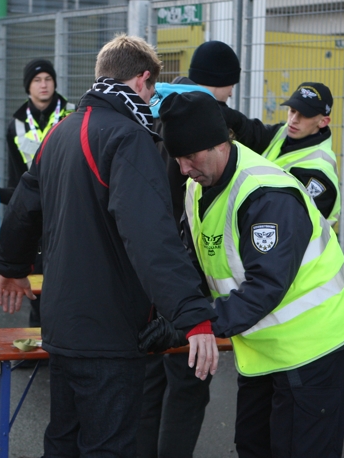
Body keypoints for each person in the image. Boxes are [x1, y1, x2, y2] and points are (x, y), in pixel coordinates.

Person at [0, 34, 219, 457]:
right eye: (152, 90)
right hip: (110, 331)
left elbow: (25, 206)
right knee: (109, 445)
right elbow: (152, 237)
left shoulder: (61, 130)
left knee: (63, 441)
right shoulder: (128, 137)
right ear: (142, 80)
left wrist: (11, 265)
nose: (152, 99)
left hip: (62, 325)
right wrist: (193, 315)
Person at [142, 91, 344, 457]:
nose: (182, 169)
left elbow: (266, 287)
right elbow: (195, 262)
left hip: (313, 344)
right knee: (253, 444)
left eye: (189, 158)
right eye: (177, 158)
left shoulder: (266, 196)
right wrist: (178, 312)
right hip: (265, 346)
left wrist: (194, 323)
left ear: (219, 144)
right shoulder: (199, 184)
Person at [139, 40, 241, 458]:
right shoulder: (199, 126)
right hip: (187, 280)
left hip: (149, 274)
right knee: (188, 382)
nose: (230, 99)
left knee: (151, 383)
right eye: (228, 89)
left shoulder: (151, 116)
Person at [0, 58, 73, 330]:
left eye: (48, 79)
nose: (44, 85)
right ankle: (38, 337)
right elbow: (15, 174)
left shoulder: (72, 113)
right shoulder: (16, 124)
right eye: (37, 80)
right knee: (35, 272)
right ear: (27, 87)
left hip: (67, 205)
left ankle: (64, 336)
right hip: (33, 209)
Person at [221, 82, 341, 225]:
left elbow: (294, 220)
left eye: (304, 115)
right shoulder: (281, 133)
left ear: (323, 121)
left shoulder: (319, 170)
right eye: (292, 110)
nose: (293, 120)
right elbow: (246, 127)